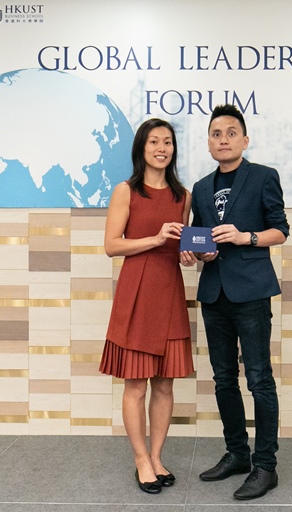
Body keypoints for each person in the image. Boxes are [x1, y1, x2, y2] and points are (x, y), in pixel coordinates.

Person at [180, 104, 290, 500]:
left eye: (230, 133)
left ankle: (265, 466)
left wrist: (247, 237)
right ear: (208, 143)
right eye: (216, 134)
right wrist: (195, 253)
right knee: (223, 378)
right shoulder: (201, 188)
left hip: (252, 292)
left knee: (259, 379)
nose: (223, 139)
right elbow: (199, 238)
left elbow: (280, 230)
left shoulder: (263, 176)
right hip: (214, 292)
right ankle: (237, 454)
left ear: (244, 140)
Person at [99, 118, 195, 495]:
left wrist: (188, 255)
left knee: (165, 385)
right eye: (154, 141)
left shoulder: (183, 195)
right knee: (136, 384)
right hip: (137, 290)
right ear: (141, 147)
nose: (161, 148)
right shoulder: (126, 191)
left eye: (167, 142)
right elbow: (112, 245)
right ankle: (140, 459)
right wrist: (154, 239)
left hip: (169, 290)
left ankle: (156, 457)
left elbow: (180, 245)